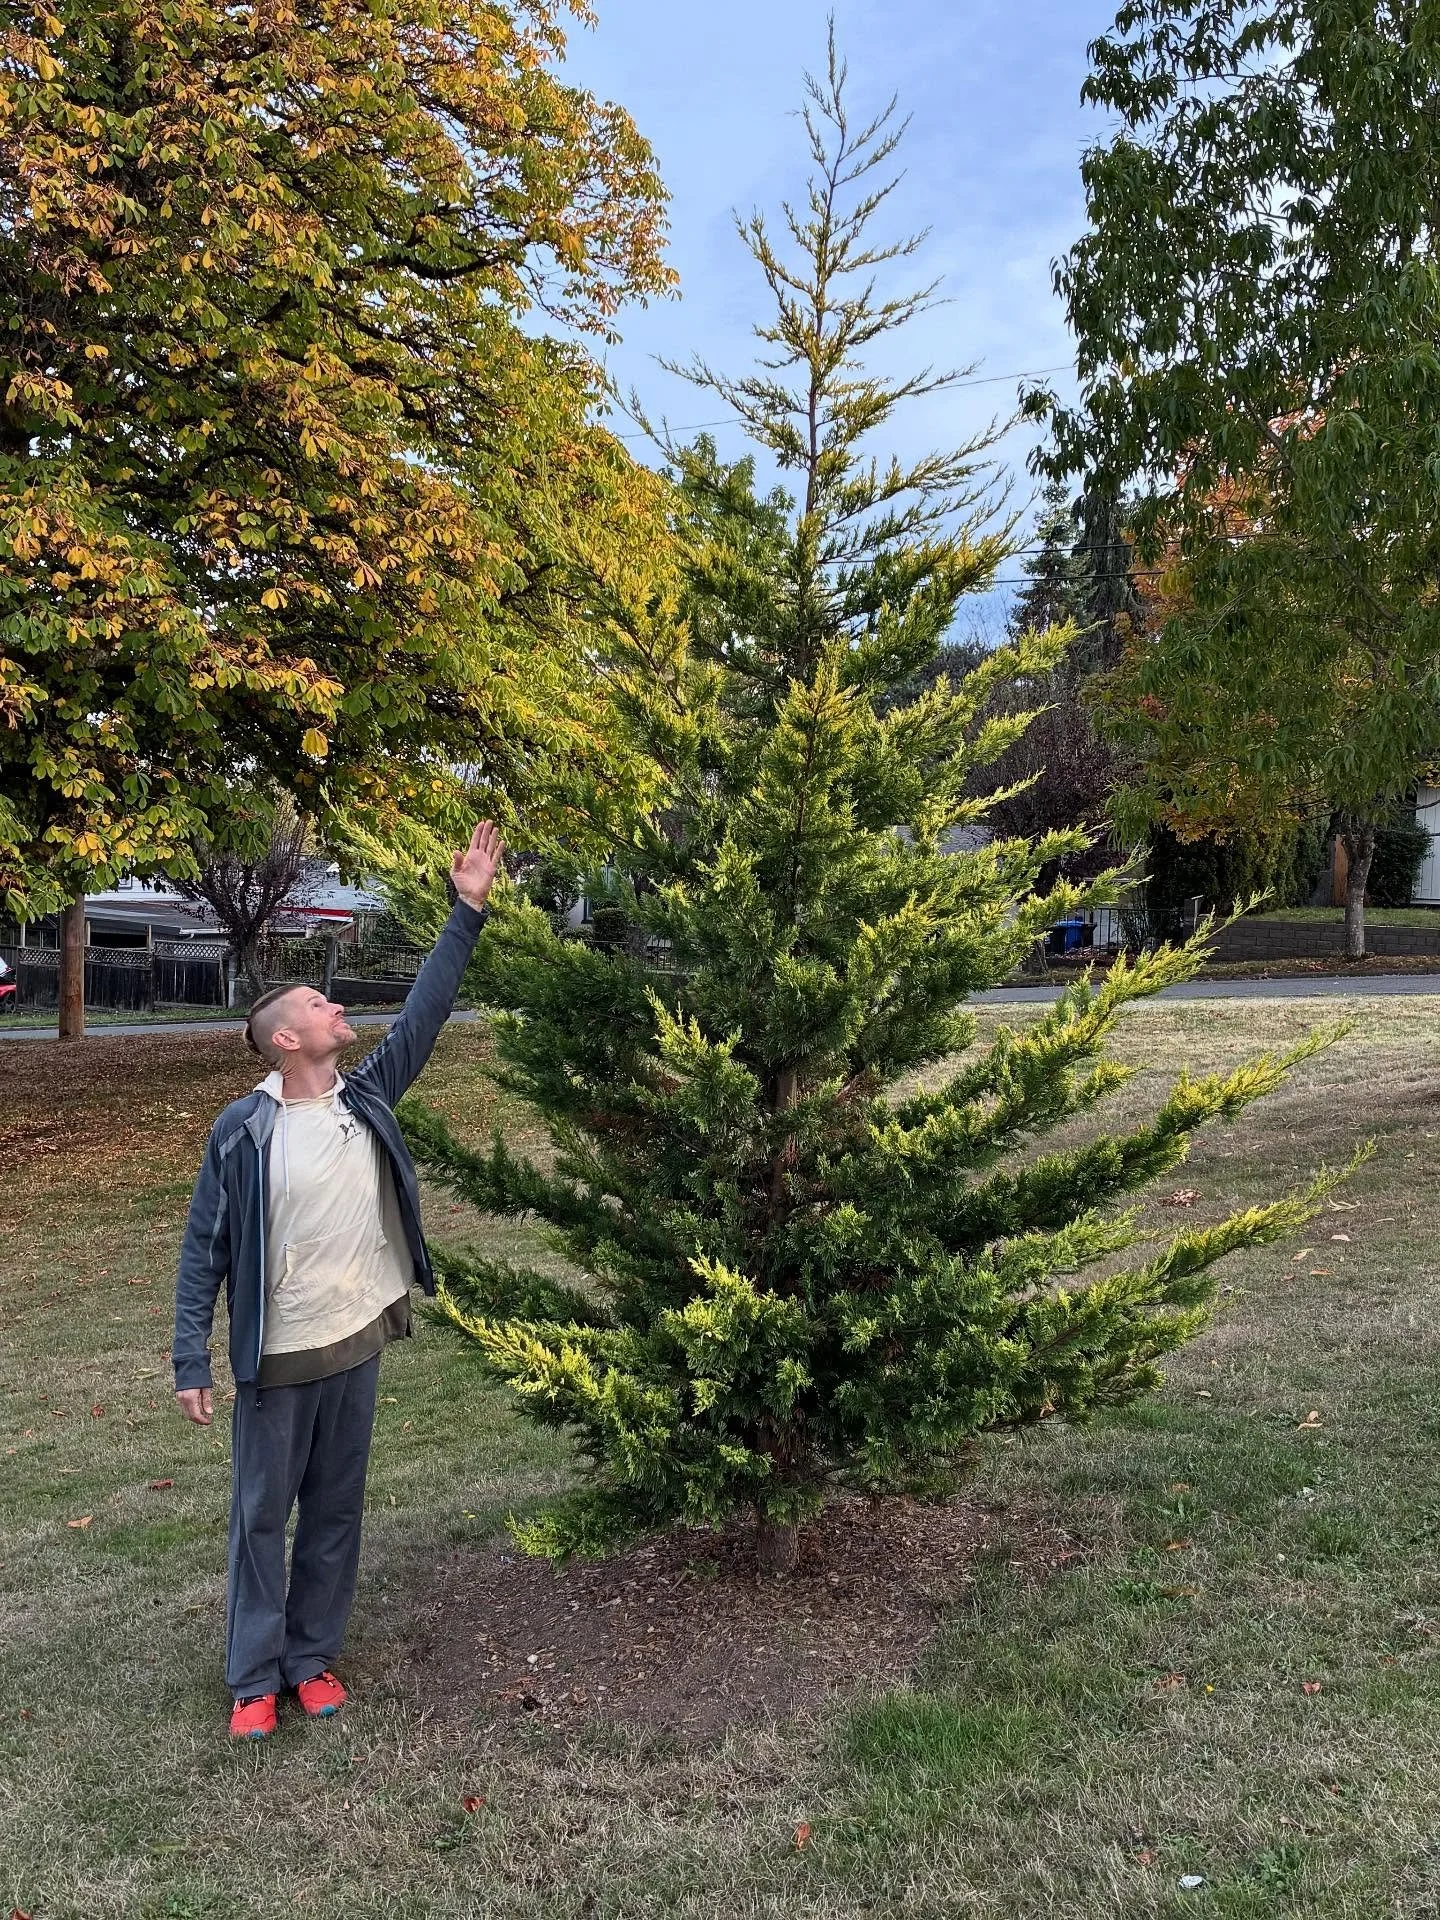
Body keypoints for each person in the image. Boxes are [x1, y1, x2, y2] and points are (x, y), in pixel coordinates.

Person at [171, 821, 504, 1739]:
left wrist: (465, 908)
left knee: (335, 1511)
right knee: (260, 1521)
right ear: (286, 1037)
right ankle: (252, 1679)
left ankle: (312, 1660)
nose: (334, 1008)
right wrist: (190, 1359)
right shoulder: (241, 1130)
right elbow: (206, 1248)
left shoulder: (366, 1099)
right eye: (319, 1002)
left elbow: (427, 1013)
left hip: (355, 1340)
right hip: (276, 1361)